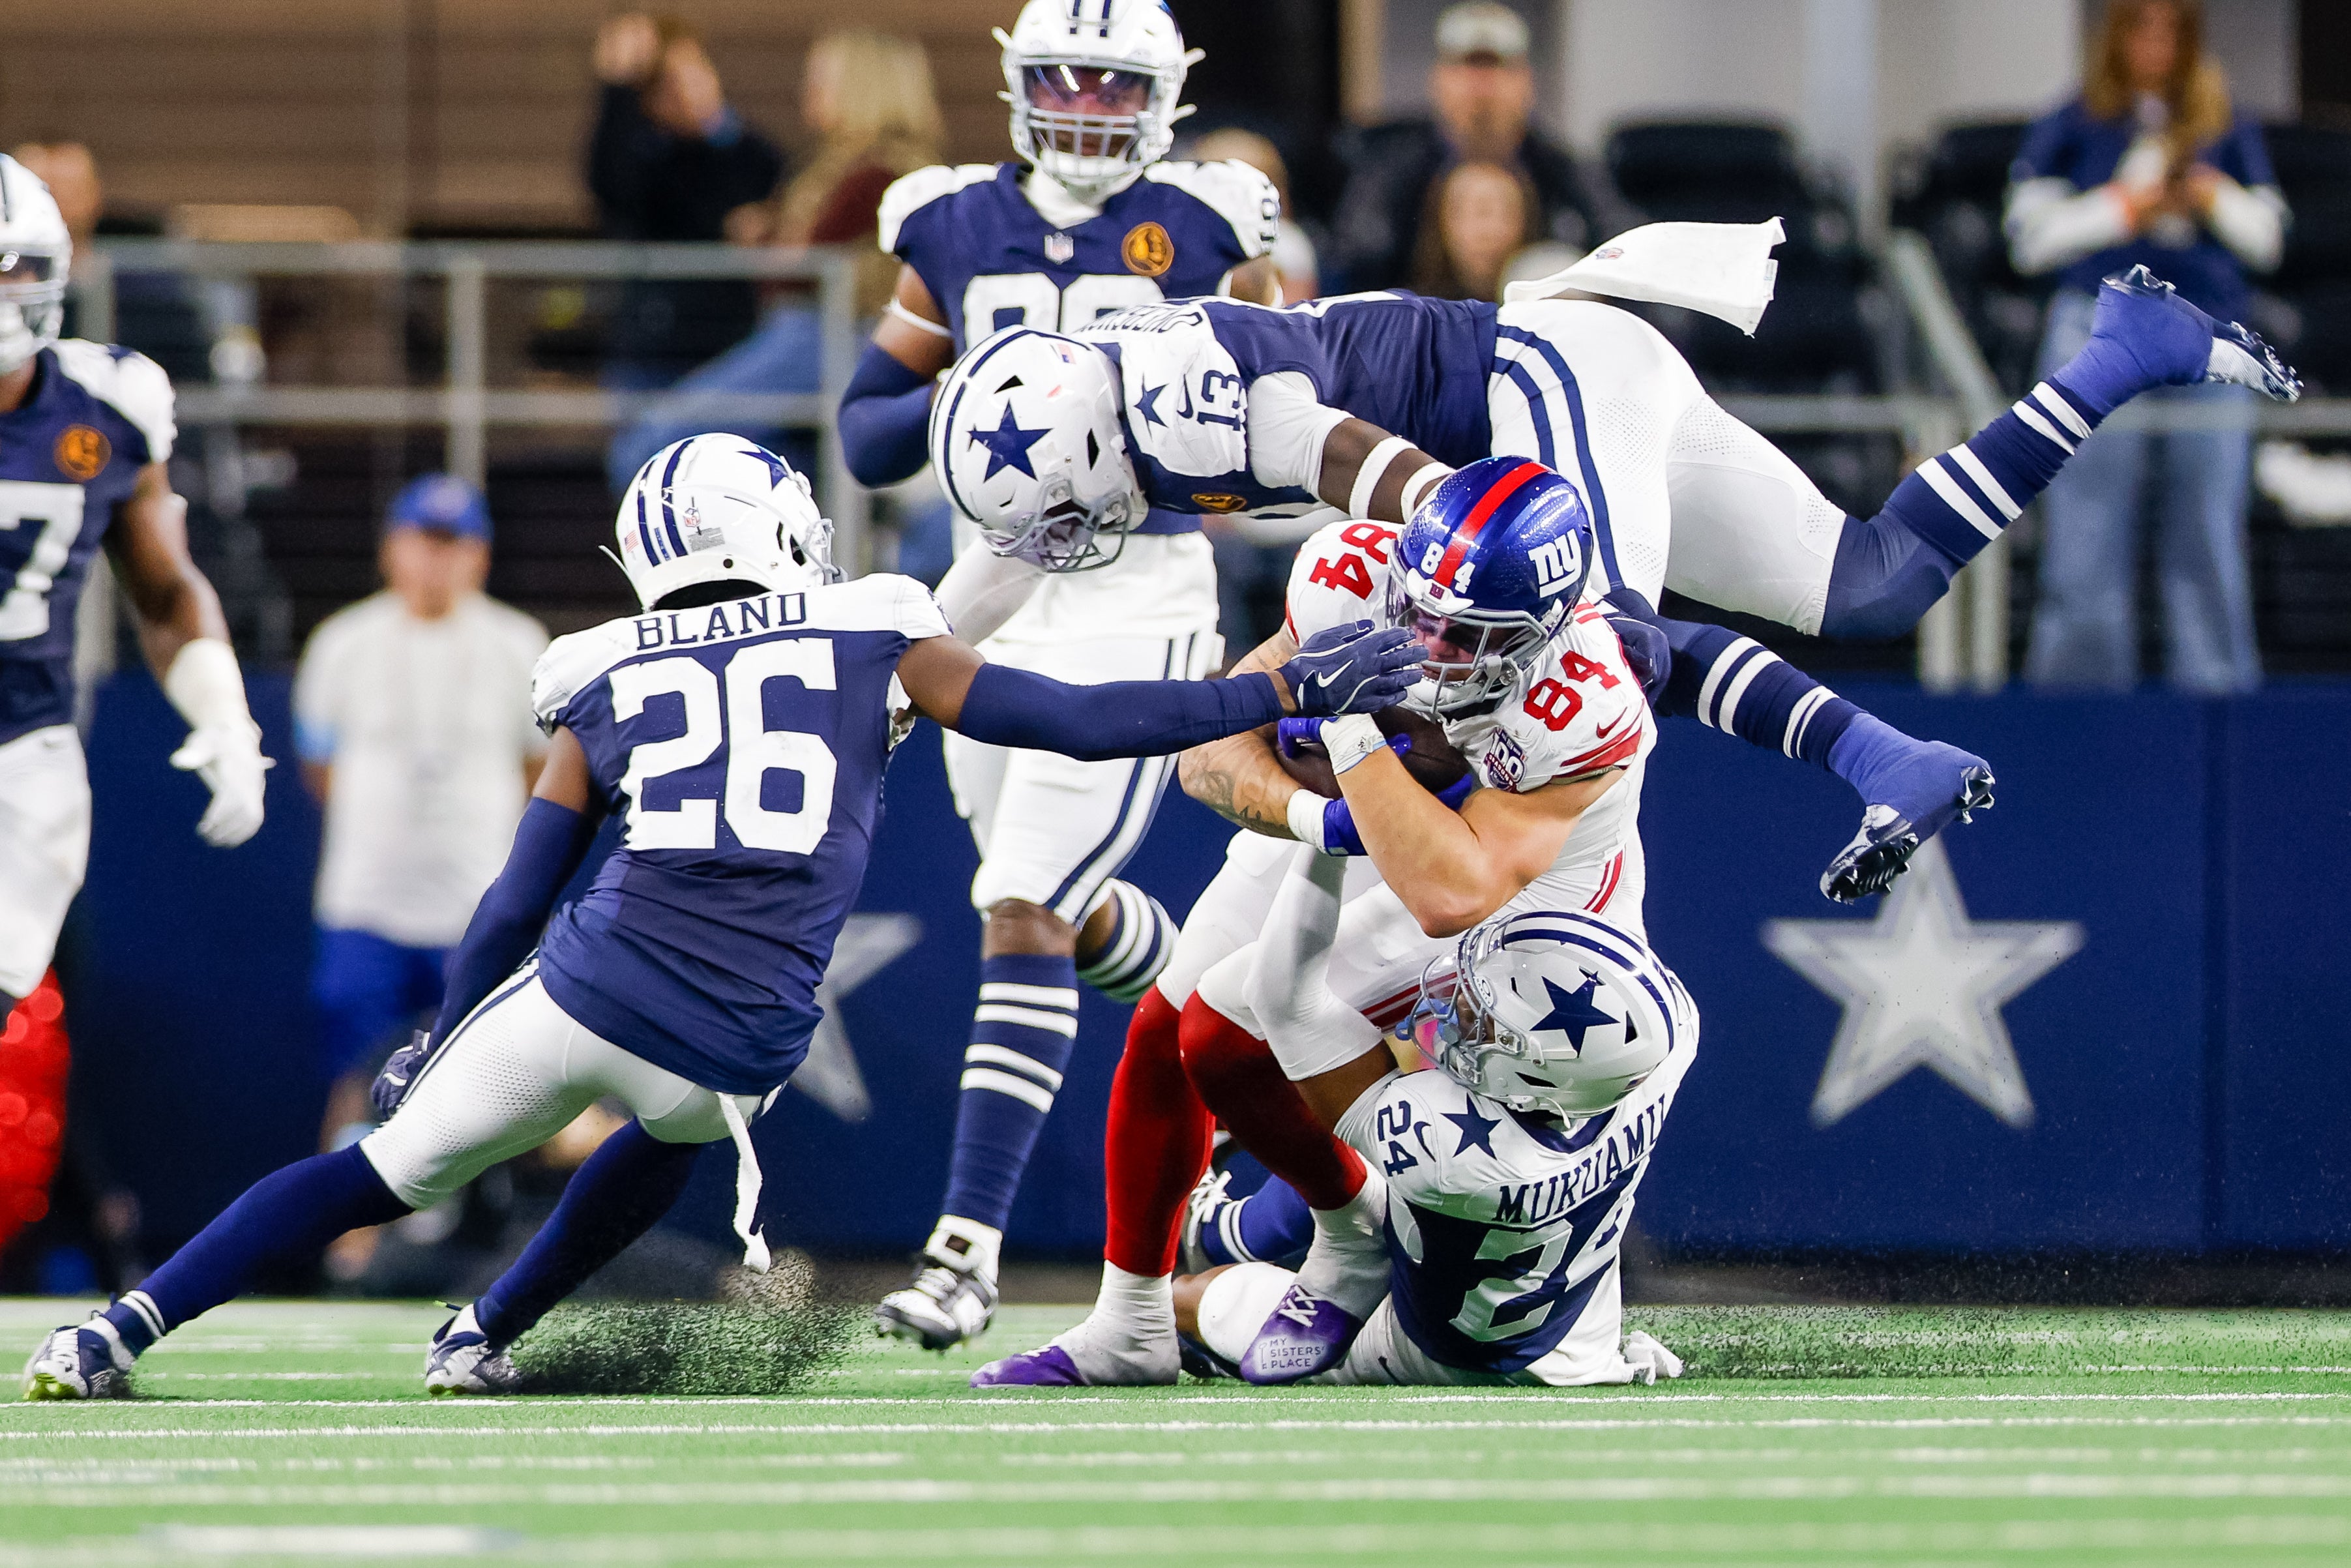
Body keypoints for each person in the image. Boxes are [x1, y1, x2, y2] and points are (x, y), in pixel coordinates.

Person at [943, 261, 2294, 1383]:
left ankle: (1420, 1247)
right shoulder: (1119, 434)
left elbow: (1451, 528)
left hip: (1522, 418)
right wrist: (890, 682)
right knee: (1870, 585)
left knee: (1597, 638)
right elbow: (1053, 636)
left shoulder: (1237, 450)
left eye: (1065, 509)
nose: (1069, 538)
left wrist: (1409, 642)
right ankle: (2121, 353)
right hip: (1518, 454)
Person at [20, 433, 1423, 1401]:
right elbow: (1069, 714)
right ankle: (484, 1327)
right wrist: (1272, 687)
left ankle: (118, 1328)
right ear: (780, 526)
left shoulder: (603, 667)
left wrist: (441, 1030)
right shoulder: (873, 623)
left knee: (377, 1168)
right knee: (672, 1130)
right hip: (738, 1042)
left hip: (583, 987)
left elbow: (522, 884)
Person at [835, 0, 1286, 1354]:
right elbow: (865, 436)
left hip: (1138, 587)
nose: (1088, 102)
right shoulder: (952, 223)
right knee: (1054, 907)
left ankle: (964, 1249)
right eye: (1063, 79)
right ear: (1019, 85)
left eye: (1115, 82)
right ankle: (1186, 1000)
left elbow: (1293, 398)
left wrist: (1173, 419)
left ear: (1166, 95)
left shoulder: (1211, 223)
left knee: (1023, 902)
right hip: (987, 597)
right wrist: (975, 397)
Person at [1180, 864, 1694, 1388]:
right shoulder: (1658, 1047)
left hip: (1444, 1349)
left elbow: (1280, 998)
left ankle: (1223, 1240)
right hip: (1578, 1330)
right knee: (1374, 1154)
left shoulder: (1445, 1146)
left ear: (1536, 1077)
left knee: (1197, 1301)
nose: (1462, 1005)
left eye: (1491, 1023)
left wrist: (1321, 843)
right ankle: (1233, 1233)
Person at [0, 153, 270, 1029]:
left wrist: (224, 714)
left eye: (15, 267)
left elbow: (163, 590)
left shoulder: (107, 402)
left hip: (20, 751)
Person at [2007, 0, 2288, 692]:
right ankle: (2081, 708)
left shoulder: (2227, 124)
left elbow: (2268, 238)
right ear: (2117, 37)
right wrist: (2122, 206)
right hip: (2100, 330)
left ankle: (2218, 703)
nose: (2156, 44)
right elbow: (2029, 239)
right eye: (2142, 27)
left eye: (2171, 30)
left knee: (2208, 535)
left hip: (2206, 335)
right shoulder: (2073, 120)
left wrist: (2208, 195)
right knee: (2087, 536)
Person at [294, 475, 548, 1152]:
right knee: (356, 1075)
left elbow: (539, 771)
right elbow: (319, 769)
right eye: (422, 542)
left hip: (474, 908)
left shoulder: (520, 643)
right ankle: (350, 1247)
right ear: (391, 549)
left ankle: (480, 1237)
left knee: (490, 1076)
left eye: (452, 544)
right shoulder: (342, 642)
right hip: (366, 903)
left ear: (480, 556)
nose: (436, 560)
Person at [606, 31, 945, 492]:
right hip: (814, 334)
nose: (809, 92)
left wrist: (770, 237)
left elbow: (798, 259)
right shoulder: (841, 164)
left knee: (653, 449)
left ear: (861, 88)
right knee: (786, 470)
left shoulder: (879, 172)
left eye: (823, 81)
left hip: (827, 333)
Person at [1326, 2, 1620, 294]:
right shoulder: (1389, 171)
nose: (1482, 89)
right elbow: (1351, 267)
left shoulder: (1567, 172)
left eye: (1497, 68)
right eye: (1467, 68)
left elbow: (1622, 253)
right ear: (1438, 81)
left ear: (1527, 82)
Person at [587, 12, 785, 390]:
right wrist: (616, 87)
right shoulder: (647, 158)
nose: (686, 89)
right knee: (641, 448)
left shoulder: (745, 151)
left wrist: (716, 126)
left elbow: (765, 185)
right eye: (668, 81)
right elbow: (612, 185)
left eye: (694, 70)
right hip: (652, 351)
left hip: (731, 348)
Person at [1410, 160, 1539, 303]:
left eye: (1505, 213)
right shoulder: (1417, 314)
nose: (1489, 232)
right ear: (1442, 221)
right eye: (1480, 212)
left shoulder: (1543, 309)